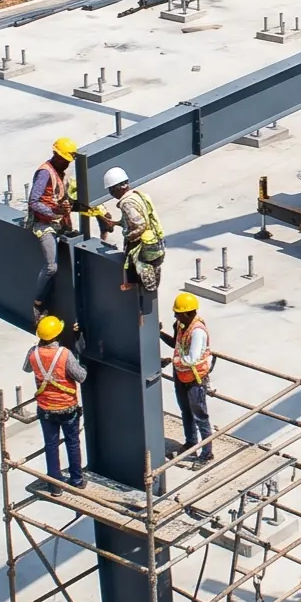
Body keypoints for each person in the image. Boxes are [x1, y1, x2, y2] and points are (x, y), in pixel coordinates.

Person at [25, 315, 86, 487]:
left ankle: (55, 484)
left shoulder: (33, 353)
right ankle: (77, 480)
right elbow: (81, 376)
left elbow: (26, 368)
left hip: (45, 409)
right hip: (67, 408)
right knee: (72, 442)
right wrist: (84, 365)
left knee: (51, 445)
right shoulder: (64, 354)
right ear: (57, 334)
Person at [90, 166, 165, 293]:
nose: (111, 193)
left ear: (116, 188)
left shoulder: (126, 203)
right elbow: (134, 220)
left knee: (140, 270)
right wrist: (117, 223)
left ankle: (141, 292)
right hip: (156, 241)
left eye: (110, 190)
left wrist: (129, 236)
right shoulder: (136, 196)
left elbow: (140, 224)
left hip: (144, 245)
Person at [164, 291, 213, 465]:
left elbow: (192, 358)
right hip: (181, 375)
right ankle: (191, 442)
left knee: (200, 416)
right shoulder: (180, 325)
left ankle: (207, 453)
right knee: (186, 412)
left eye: (178, 313)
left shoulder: (198, 331)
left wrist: (171, 360)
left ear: (187, 313)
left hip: (195, 380)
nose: (175, 315)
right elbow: (176, 344)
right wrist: (160, 333)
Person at [26, 139, 78, 268]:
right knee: (51, 267)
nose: (66, 164)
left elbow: (58, 196)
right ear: (56, 155)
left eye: (68, 162)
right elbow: (33, 201)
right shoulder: (45, 173)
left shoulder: (59, 172)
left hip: (57, 222)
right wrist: (53, 212)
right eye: (64, 160)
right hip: (43, 224)